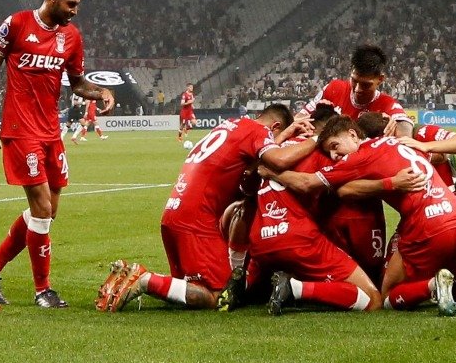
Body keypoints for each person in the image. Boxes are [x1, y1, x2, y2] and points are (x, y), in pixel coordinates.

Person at [274, 116, 456, 316]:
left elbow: (309, 184)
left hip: (426, 226)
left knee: (388, 296)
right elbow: (444, 156)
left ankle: (432, 286)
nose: (335, 155)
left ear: (354, 135)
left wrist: (271, 171)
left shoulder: (360, 157)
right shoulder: (403, 144)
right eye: (330, 152)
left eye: (336, 145)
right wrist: (397, 177)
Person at [0, 0, 114, 308]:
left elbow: (78, 82)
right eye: (71, 3)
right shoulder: (17, 24)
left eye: (77, 4)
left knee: (48, 212)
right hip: (20, 130)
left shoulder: (72, 37)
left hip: (50, 131)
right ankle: (43, 290)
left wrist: (100, 92)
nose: (75, 10)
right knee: (40, 208)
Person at [96, 104, 316, 311]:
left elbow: (248, 177)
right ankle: (144, 280)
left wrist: (284, 135)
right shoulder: (257, 132)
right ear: (275, 126)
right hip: (196, 220)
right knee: (218, 294)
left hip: (173, 213)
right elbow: (277, 160)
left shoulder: (231, 125)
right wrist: (318, 138)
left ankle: (125, 275)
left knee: (185, 290)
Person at [301, 43, 414, 137]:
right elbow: (301, 117)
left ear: (380, 79)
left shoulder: (386, 104)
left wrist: (396, 127)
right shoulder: (334, 88)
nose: (357, 89)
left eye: (366, 85)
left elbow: (405, 129)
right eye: (354, 81)